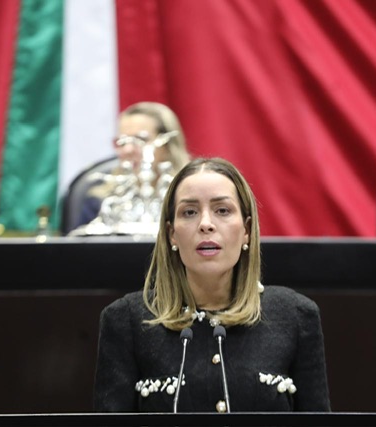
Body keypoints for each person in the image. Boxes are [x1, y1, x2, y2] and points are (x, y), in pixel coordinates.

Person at [94, 157, 331, 412]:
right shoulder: (126, 320)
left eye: (222, 210)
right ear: (172, 234)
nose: (206, 224)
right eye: (190, 212)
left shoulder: (295, 315)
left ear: (247, 230)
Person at [74, 101, 192, 232]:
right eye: (122, 142)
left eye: (140, 139)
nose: (128, 150)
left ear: (167, 144)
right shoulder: (101, 202)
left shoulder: (193, 197)